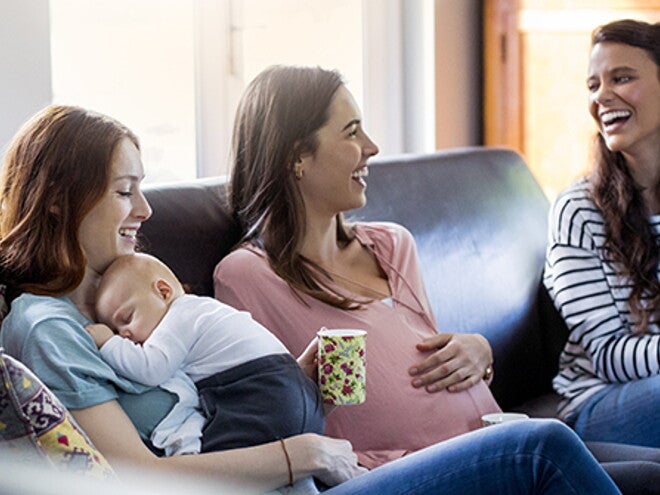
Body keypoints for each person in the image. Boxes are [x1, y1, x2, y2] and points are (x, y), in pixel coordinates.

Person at [0, 105, 625, 495]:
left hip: (306, 474)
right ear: (57, 198)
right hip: (306, 475)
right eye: (124, 191)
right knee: (538, 447)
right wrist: (297, 453)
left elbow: (209, 406)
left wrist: (288, 376)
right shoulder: (47, 327)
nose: (145, 209)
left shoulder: (121, 300)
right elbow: (135, 477)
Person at [543, 19, 660, 448]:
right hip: (597, 404)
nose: (601, 96)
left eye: (622, 78)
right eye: (593, 85)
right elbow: (609, 356)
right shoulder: (578, 210)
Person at [86, 252, 324, 461]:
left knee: (214, 458)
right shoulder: (203, 310)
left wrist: (108, 342)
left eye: (126, 318)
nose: (124, 334)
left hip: (258, 395)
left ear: (163, 291)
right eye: (116, 330)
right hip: (296, 392)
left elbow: (150, 369)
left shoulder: (178, 316)